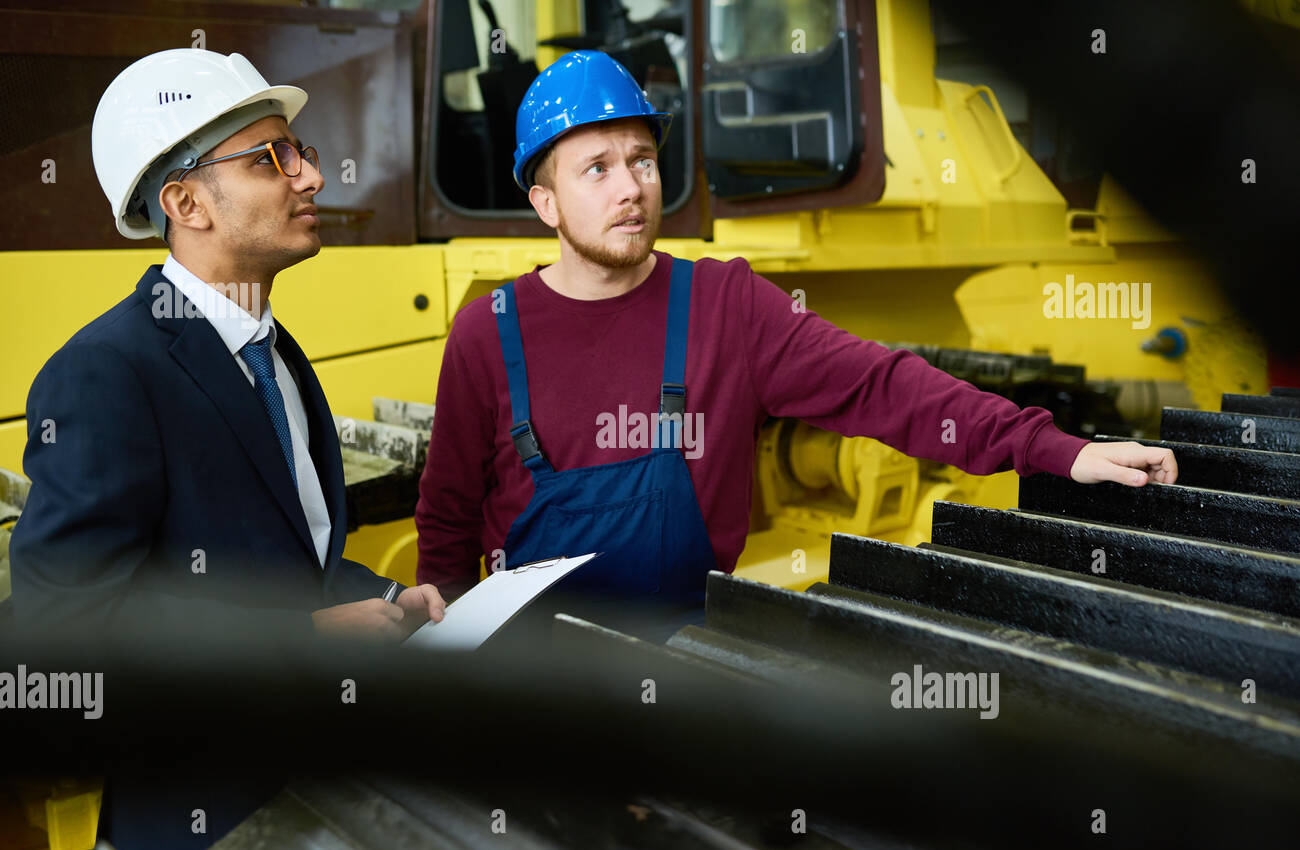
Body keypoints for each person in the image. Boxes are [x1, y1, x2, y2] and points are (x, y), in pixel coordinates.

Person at [414, 50, 1177, 633]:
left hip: (682, 661)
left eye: (643, 159)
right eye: (598, 168)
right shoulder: (488, 333)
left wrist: (1054, 448)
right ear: (544, 201)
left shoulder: (723, 305)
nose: (631, 188)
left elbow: (881, 386)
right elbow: (448, 521)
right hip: (527, 680)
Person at [7, 49, 445, 850]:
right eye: (271, 158)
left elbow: (286, 568)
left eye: (300, 153)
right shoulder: (107, 371)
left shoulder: (277, 357)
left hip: (318, 804)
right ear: (183, 201)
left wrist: (386, 598)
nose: (310, 178)